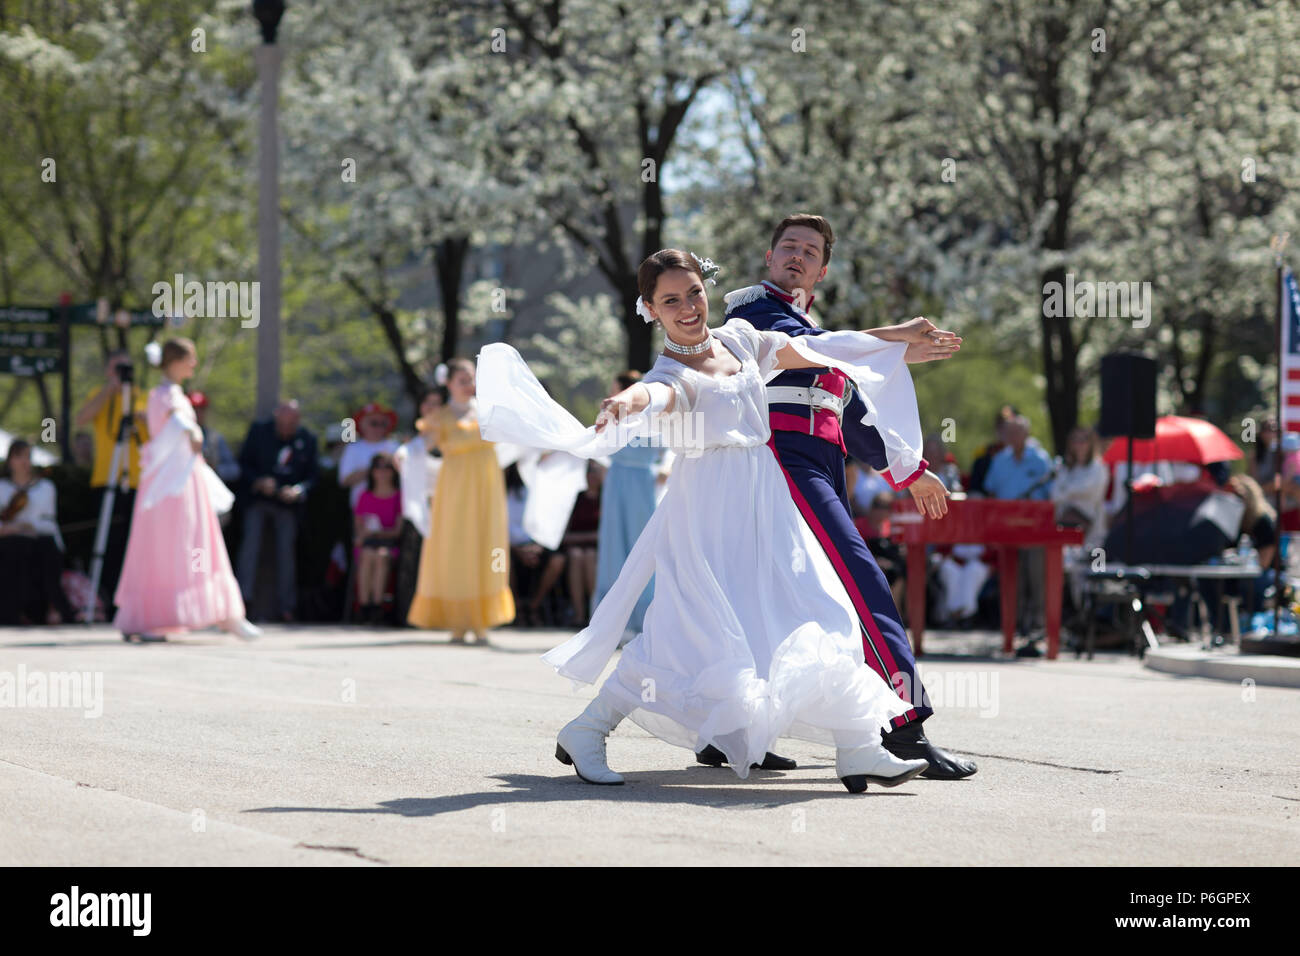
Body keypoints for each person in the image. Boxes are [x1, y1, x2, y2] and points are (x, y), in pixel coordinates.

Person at [476, 249, 932, 792]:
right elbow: (657, 392)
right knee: (690, 638)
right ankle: (587, 729)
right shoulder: (669, 371)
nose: (688, 307)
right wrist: (628, 399)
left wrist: (898, 333)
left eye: (694, 292)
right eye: (671, 300)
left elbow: (816, 348)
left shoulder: (741, 339)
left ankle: (859, 748)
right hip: (706, 514)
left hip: (767, 501)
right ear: (650, 309)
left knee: (819, 606)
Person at [721, 213, 976, 779]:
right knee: (861, 583)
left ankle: (730, 731)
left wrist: (914, 473)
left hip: (816, 468)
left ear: (823, 270)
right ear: (769, 258)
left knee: (767, 599)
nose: (796, 255)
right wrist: (894, 337)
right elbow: (810, 349)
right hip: (783, 466)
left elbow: (856, 419)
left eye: (809, 251)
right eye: (787, 245)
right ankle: (904, 727)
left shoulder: (818, 330)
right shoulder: (751, 311)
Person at [112, 339, 258, 642]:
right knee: (166, 547)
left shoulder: (174, 394)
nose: (193, 364)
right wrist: (191, 429)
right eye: (189, 359)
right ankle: (153, 619)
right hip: (167, 488)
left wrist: (192, 431)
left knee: (199, 544)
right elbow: (169, 425)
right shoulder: (161, 395)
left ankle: (225, 614)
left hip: (185, 484)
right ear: (175, 361)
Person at [407, 358, 514, 643]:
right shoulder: (440, 417)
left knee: (486, 545)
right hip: (454, 490)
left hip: (487, 487)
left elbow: (520, 434)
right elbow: (420, 447)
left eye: (472, 379)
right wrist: (404, 455)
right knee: (457, 547)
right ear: (449, 384)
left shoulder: (490, 411)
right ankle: (458, 621)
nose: (470, 385)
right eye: (462, 380)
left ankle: (482, 622)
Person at [75, 349, 150, 609]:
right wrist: (111, 390)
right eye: (117, 368)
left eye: (126, 368)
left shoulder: (143, 397)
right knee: (109, 545)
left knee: (137, 546)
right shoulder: (100, 395)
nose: (122, 374)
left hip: (138, 483)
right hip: (106, 481)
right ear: (109, 371)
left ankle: (135, 601)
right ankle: (107, 601)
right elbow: (81, 419)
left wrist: (144, 416)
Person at [593, 371, 666, 638]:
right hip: (617, 481)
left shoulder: (654, 415)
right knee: (614, 546)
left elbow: (671, 446)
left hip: (643, 483)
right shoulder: (612, 417)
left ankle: (645, 618)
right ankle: (612, 623)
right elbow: (598, 444)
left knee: (642, 547)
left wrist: (665, 467)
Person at [236, 400, 318, 623]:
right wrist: (259, 481)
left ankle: (287, 608)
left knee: (287, 554)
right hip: (258, 500)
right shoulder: (258, 432)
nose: (286, 428)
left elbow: (313, 476)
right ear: (276, 419)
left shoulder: (307, 439)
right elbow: (241, 465)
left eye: (292, 423)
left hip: (287, 504)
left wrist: (298, 490)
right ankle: (243, 602)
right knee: (250, 546)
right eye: (283, 423)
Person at [982, 413, 1055, 652]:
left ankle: (1038, 630)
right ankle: (1014, 631)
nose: (1012, 436)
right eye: (1009, 432)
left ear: (1026, 433)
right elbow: (991, 493)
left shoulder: (1040, 459)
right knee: (1012, 581)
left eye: (1017, 431)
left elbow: (1051, 494)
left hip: (1034, 529)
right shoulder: (999, 460)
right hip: (1006, 530)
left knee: (1036, 579)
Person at [0, 439, 75, 625]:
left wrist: (29, 527)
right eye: (19, 457)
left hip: (41, 543)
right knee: (15, 547)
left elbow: (49, 523)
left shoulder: (45, 488)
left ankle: (52, 609)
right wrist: (12, 529)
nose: (24, 462)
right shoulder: (2, 488)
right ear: (10, 460)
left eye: (27, 457)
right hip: (10, 544)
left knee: (44, 549)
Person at [393, 387, 445, 623]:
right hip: (420, 506)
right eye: (427, 403)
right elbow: (404, 457)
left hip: (446, 505)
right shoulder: (417, 435)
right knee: (412, 559)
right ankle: (408, 615)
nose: (430, 408)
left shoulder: (447, 433)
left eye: (436, 403)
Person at [506, 462, 568, 627]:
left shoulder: (544, 492)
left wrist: (539, 545)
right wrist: (517, 550)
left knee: (558, 561)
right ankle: (515, 607)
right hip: (510, 548)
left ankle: (534, 605)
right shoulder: (503, 494)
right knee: (498, 561)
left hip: (539, 545)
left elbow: (552, 523)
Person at [353, 452, 402, 624]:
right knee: (367, 555)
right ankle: (365, 606)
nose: (382, 472)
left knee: (380, 556)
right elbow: (358, 528)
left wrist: (377, 532)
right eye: (378, 468)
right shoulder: (364, 496)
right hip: (367, 544)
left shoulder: (399, 497)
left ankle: (377, 606)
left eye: (387, 468)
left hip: (389, 544)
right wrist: (366, 534)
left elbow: (398, 531)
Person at [561, 460, 604, 628]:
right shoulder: (577, 498)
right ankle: (579, 613)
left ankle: (595, 611)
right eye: (589, 472)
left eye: (595, 472)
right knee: (577, 556)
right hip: (577, 547)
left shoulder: (605, 499)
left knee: (589, 556)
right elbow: (566, 533)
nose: (592, 476)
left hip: (597, 550)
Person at [338, 402, 400, 510]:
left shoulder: (395, 446)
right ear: (362, 424)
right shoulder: (353, 448)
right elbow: (344, 480)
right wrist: (375, 469)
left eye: (383, 423)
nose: (379, 427)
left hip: (393, 506)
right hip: (362, 510)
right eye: (374, 423)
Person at [189, 391, 241, 487]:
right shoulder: (177, 438)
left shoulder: (215, 438)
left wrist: (215, 468)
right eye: (194, 409)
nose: (197, 413)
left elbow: (234, 470)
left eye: (201, 409)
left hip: (210, 490)